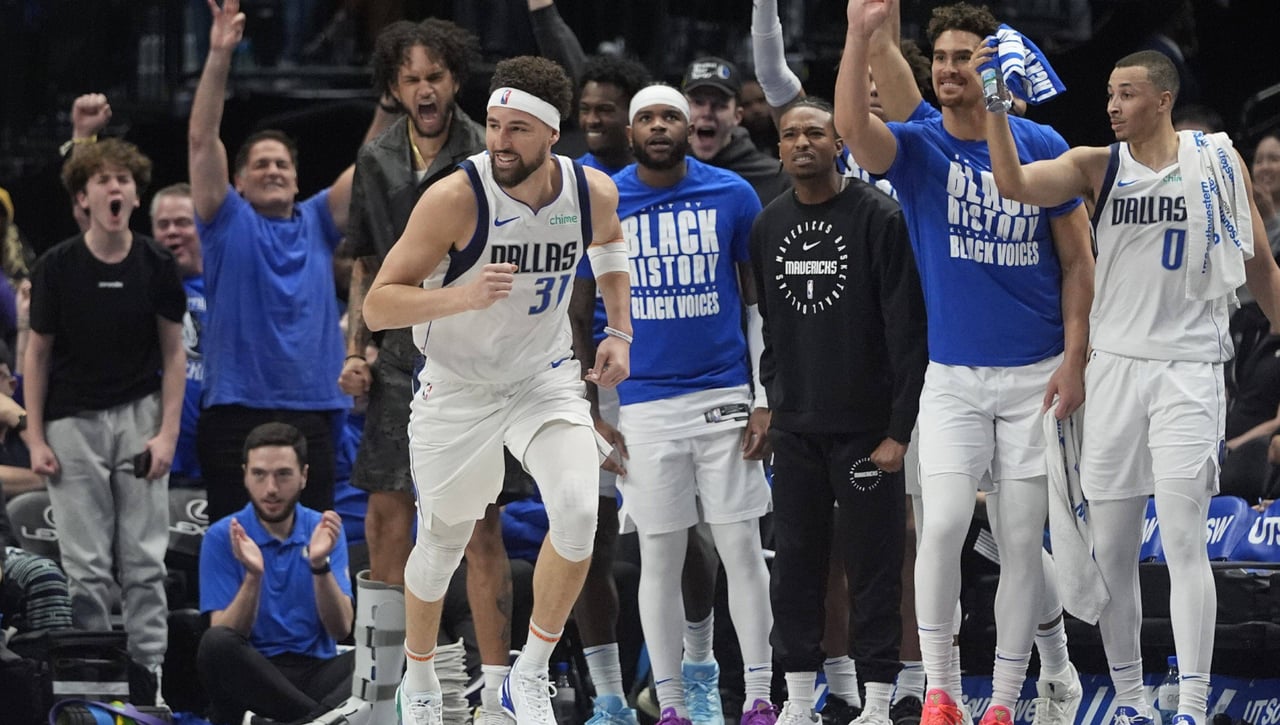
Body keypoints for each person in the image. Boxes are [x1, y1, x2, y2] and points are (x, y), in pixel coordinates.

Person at [981, 47, 1280, 725]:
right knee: (1113, 549)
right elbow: (1013, 184)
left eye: (1127, 94)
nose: (1113, 105)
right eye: (1110, 94)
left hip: (1190, 369)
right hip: (1114, 370)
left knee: (1183, 537)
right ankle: (1132, 700)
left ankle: (1194, 706)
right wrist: (997, 102)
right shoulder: (1098, 164)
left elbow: (1260, 267)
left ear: (1164, 98)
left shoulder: (1218, 161)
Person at [834, 3, 1095, 725]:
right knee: (944, 524)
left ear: (995, 66)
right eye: (942, 57)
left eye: (967, 58)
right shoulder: (919, 147)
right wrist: (860, 35)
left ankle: (1005, 701)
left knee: (1018, 542)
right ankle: (943, 691)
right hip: (950, 378)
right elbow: (853, 129)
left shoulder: (1042, 142)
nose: (951, 69)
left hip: (1035, 376)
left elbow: (1079, 263)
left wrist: (1075, 362)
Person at [361, 55, 632, 725]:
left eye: (516, 128)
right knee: (444, 541)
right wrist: (459, 295)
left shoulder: (591, 190)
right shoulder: (455, 197)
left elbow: (610, 250)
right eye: (491, 124)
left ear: (551, 133)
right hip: (457, 389)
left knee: (577, 511)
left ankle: (527, 672)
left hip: (541, 379)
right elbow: (377, 306)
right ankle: (420, 678)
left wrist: (618, 330)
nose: (499, 141)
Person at [340, 17, 537, 725]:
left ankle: (497, 696)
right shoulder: (376, 159)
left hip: (474, 362)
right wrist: (356, 348)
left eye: (435, 76)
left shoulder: (491, 152)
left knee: (478, 526)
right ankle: (383, 690)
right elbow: (364, 261)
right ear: (393, 88)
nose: (425, 89)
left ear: (455, 79)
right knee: (388, 521)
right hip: (396, 362)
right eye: (411, 78)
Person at [599, 83, 773, 725]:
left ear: (688, 126)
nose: (661, 126)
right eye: (647, 117)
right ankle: (670, 703)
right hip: (642, 404)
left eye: (671, 116)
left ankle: (758, 696)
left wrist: (762, 396)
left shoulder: (733, 193)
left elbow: (757, 304)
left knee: (742, 550)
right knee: (660, 559)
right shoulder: (606, 199)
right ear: (631, 130)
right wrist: (600, 411)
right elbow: (582, 312)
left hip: (725, 392)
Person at [750, 97, 928, 725]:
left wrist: (898, 432)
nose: (802, 143)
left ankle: (878, 703)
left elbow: (908, 333)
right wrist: (773, 402)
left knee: (874, 564)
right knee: (795, 567)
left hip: (864, 441)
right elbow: (770, 327)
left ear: (839, 144)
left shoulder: (879, 217)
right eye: (790, 134)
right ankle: (801, 703)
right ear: (778, 149)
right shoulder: (768, 224)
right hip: (798, 437)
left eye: (815, 133)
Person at [23, 137, 186, 704]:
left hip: (139, 417)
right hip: (73, 422)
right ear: (84, 197)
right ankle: (95, 681)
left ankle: (150, 683)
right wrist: (35, 435)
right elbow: (36, 354)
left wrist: (167, 433)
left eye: (124, 180)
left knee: (143, 563)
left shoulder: (157, 264)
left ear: (135, 197)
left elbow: (173, 354)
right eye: (103, 180)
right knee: (86, 567)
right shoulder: (57, 265)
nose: (114, 188)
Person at [189, 0, 356, 522]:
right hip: (237, 410)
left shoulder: (318, 220)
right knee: (236, 550)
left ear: (297, 178)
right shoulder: (225, 218)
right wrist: (220, 54)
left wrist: (398, 98)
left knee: (316, 550)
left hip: (313, 409)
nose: (272, 170)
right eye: (259, 164)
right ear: (237, 181)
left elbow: (372, 162)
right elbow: (201, 139)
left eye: (281, 163)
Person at [197, 422, 355, 725]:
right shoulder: (223, 535)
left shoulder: (325, 529)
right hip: (253, 672)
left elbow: (341, 629)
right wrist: (253, 577)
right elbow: (225, 632)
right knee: (215, 643)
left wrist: (319, 565)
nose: (271, 488)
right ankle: (321, 721)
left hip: (316, 671)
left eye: (283, 474)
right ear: (245, 475)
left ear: (303, 476)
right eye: (259, 474)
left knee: (390, 658)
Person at [150, 183, 206, 489]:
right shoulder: (141, 289)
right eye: (163, 225)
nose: (173, 232)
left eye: (183, 222)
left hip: (221, 455)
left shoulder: (229, 284)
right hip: (160, 458)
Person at [682, 57, 790, 205]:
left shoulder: (776, 178)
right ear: (681, 111)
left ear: (737, 116)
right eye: (698, 103)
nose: (706, 113)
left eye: (719, 105)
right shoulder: (660, 173)